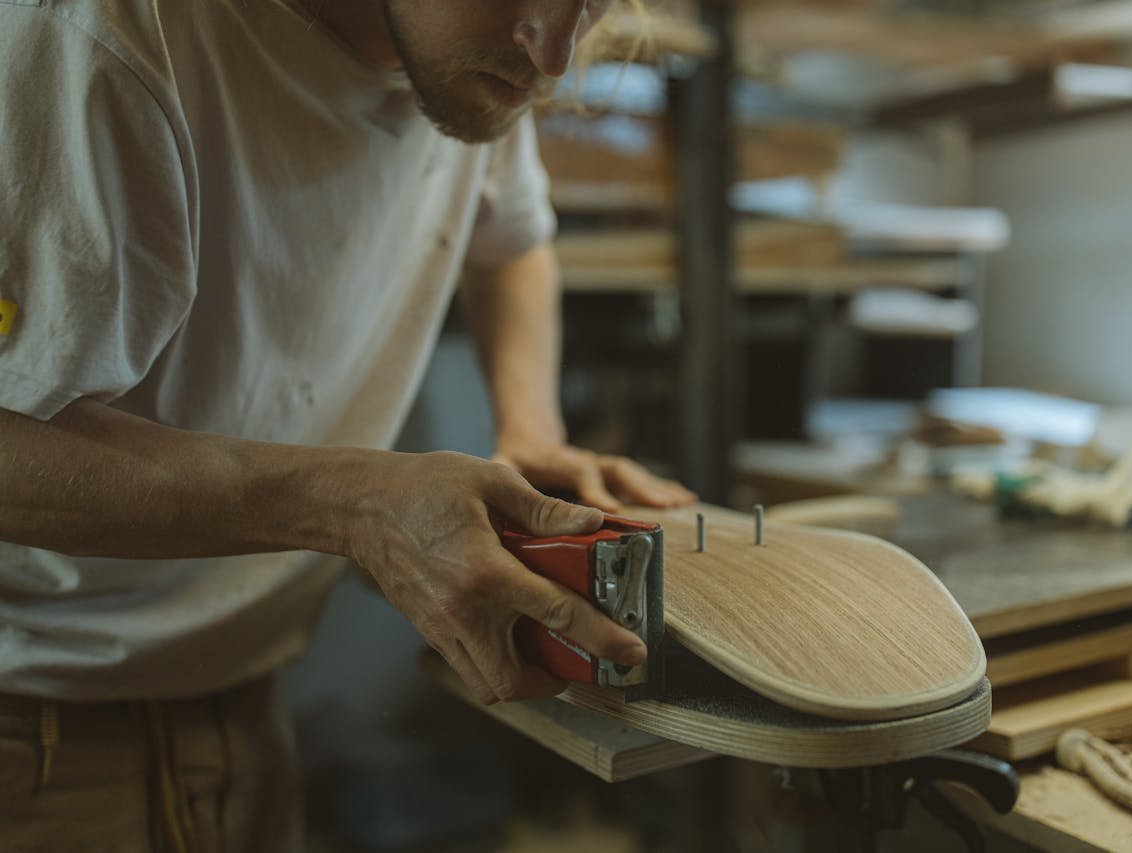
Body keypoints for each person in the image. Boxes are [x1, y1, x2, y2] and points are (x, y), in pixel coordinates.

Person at [0, 0, 694, 848]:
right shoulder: (101, 44)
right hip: (33, 718)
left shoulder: (482, 56)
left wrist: (531, 428)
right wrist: (350, 506)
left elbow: (511, 235)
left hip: (239, 691)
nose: (553, 57)